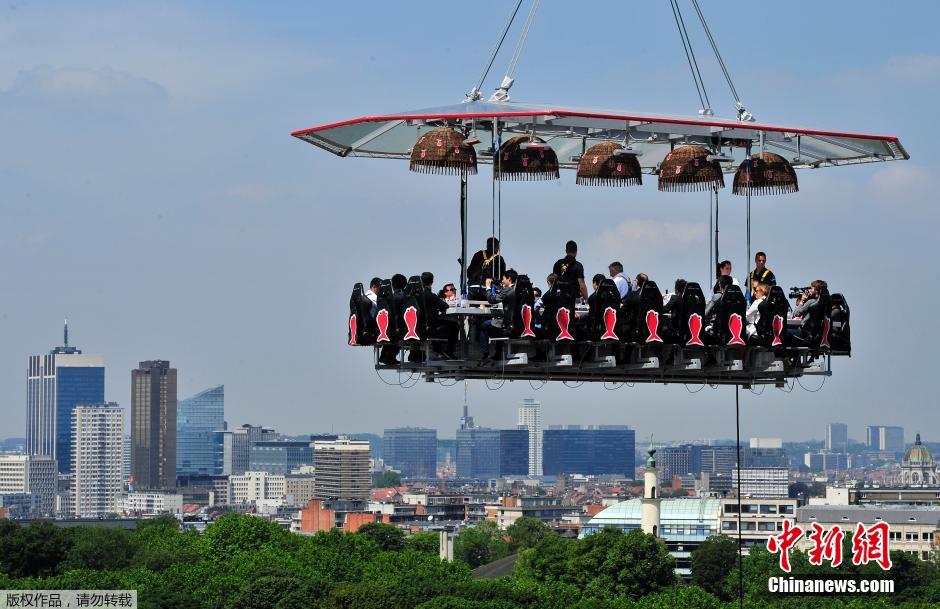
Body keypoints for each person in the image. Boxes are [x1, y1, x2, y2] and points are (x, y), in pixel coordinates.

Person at [479, 269, 518, 362]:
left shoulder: (508, 289)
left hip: (507, 325)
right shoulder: (517, 289)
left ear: (509, 279)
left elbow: (492, 299)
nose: (502, 281)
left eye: (503, 279)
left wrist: (488, 287)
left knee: (484, 325)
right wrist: (499, 288)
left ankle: (485, 354)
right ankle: (497, 354)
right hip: (516, 324)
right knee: (497, 326)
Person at [422, 272, 458, 359]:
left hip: (418, 327)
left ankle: (437, 350)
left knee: (440, 324)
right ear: (432, 282)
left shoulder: (415, 295)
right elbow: (444, 306)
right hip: (429, 328)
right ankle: (449, 351)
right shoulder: (430, 295)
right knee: (454, 326)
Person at [378, 274, 408, 365]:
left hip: (386, 326)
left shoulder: (388, 295)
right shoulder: (402, 296)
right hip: (397, 327)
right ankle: (390, 357)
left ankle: (384, 356)